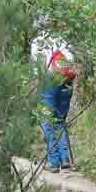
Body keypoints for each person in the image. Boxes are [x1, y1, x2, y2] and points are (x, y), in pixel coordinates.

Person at [30, 23, 76, 173]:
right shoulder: (64, 39)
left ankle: (53, 162)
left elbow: (39, 68)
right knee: (59, 119)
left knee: (47, 120)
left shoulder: (38, 41)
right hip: (67, 83)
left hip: (49, 82)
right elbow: (72, 64)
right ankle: (65, 159)